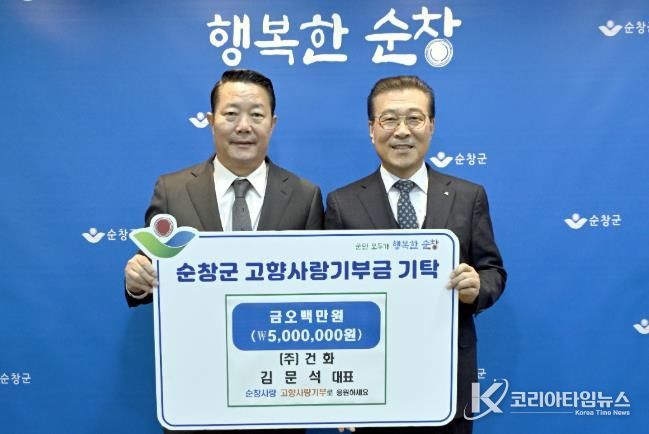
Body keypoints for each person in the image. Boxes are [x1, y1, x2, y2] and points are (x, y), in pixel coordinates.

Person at [124, 69, 322, 434]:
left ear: (273, 124)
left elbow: (318, 293)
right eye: (231, 114)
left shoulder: (305, 195)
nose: (244, 126)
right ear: (211, 120)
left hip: (277, 387)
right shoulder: (172, 190)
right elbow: (151, 277)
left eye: (257, 115)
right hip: (197, 384)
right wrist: (137, 280)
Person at [326, 76, 506, 434]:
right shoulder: (342, 203)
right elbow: (330, 295)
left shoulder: (468, 196)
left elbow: (493, 271)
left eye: (414, 118)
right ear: (372, 129)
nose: (402, 131)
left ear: (431, 126)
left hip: (449, 376)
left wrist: (476, 288)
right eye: (389, 119)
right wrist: (338, 392)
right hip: (370, 379)